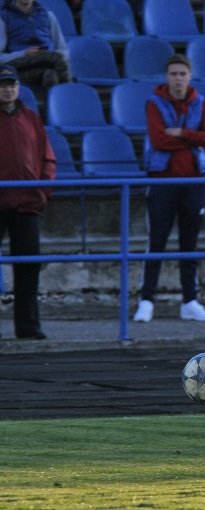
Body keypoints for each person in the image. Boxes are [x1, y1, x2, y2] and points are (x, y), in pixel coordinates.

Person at [133, 54, 205, 323]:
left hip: (194, 181)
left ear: (190, 76)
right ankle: (146, 300)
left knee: (189, 244)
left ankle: (190, 301)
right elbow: (159, 140)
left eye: (182, 74)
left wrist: (181, 133)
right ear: (166, 77)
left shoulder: (201, 102)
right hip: (162, 181)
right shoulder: (154, 103)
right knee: (156, 242)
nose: (178, 78)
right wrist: (194, 138)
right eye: (173, 74)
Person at [0, 63, 54, 339]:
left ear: (18, 87)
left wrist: (42, 191)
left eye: (11, 84)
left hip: (27, 203)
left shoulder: (32, 118)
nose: (8, 89)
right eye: (3, 85)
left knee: (29, 267)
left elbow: (47, 158)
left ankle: (29, 326)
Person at [0, 0, 71, 89]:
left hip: (47, 61)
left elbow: (62, 49)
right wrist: (24, 53)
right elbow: (1, 58)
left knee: (50, 75)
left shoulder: (47, 15)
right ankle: (69, 90)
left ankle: (58, 96)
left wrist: (46, 54)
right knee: (56, 58)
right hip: (19, 63)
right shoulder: (4, 17)